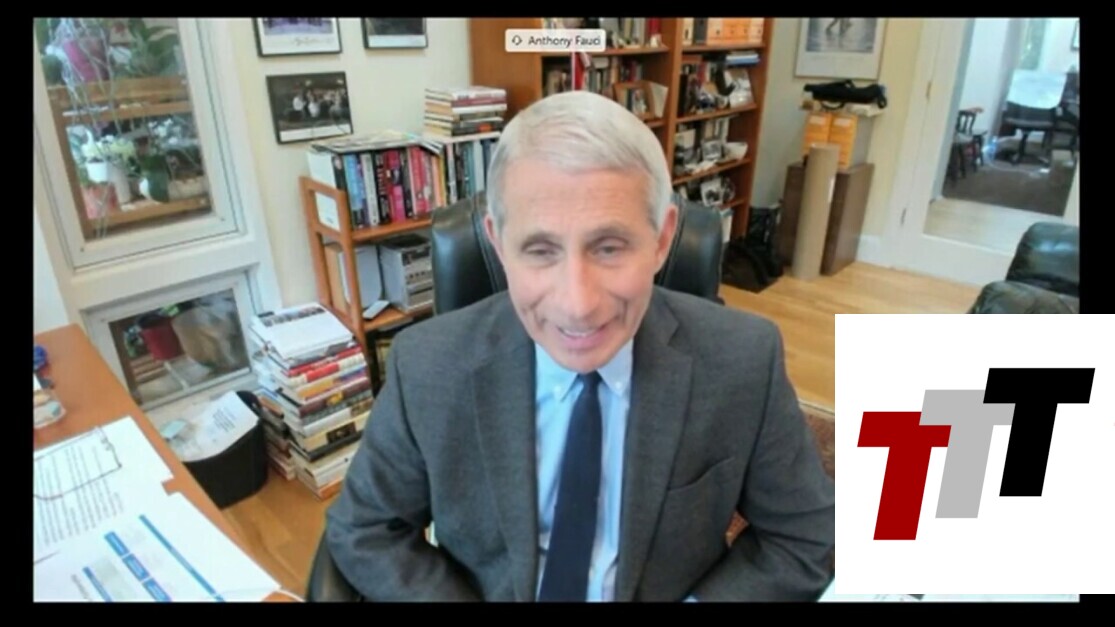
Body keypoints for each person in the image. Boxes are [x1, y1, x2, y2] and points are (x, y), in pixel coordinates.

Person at [324, 90, 835, 602]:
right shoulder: (425, 367)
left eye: (609, 248)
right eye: (540, 250)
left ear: (661, 240)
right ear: (498, 244)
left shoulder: (745, 361)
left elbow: (806, 538)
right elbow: (365, 529)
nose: (578, 305)